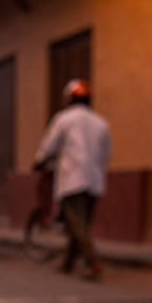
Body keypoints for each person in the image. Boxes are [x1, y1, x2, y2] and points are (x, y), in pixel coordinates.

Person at [33, 79, 111, 279]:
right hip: (94, 179)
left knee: (76, 222)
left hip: (73, 178)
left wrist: (40, 160)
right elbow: (106, 154)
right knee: (82, 222)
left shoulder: (63, 119)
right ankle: (68, 262)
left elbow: (50, 144)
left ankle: (92, 262)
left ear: (68, 99)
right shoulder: (101, 123)